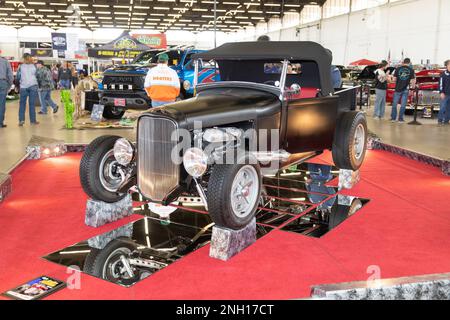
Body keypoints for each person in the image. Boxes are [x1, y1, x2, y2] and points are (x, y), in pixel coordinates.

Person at [390, 58, 416, 123]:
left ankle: (393, 118)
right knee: (403, 105)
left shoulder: (397, 69)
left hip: (397, 89)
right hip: (406, 89)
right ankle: (400, 119)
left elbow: (394, 80)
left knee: (394, 104)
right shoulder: (411, 70)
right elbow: (413, 81)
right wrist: (413, 87)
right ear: (409, 63)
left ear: (403, 62)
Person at [17, 53, 39, 126]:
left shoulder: (20, 67)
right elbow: (37, 75)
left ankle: (21, 120)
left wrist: (18, 85)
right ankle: (33, 121)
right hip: (33, 85)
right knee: (32, 104)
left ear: (24, 58)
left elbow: (18, 77)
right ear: (30, 58)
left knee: (22, 104)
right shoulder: (34, 66)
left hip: (23, 87)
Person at [0, 55, 13, 128]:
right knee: (1, 104)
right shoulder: (5, 61)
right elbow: (10, 75)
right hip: (3, 83)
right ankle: (0, 123)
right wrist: (9, 86)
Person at [438, 59, 450, 126]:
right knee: (442, 107)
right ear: (446, 66)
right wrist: (441, 92)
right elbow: (440, 84)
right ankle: (440, 120)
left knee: (449, 108)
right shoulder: (443, 74)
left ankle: (446, 121)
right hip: (445, 94)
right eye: (449, 64)